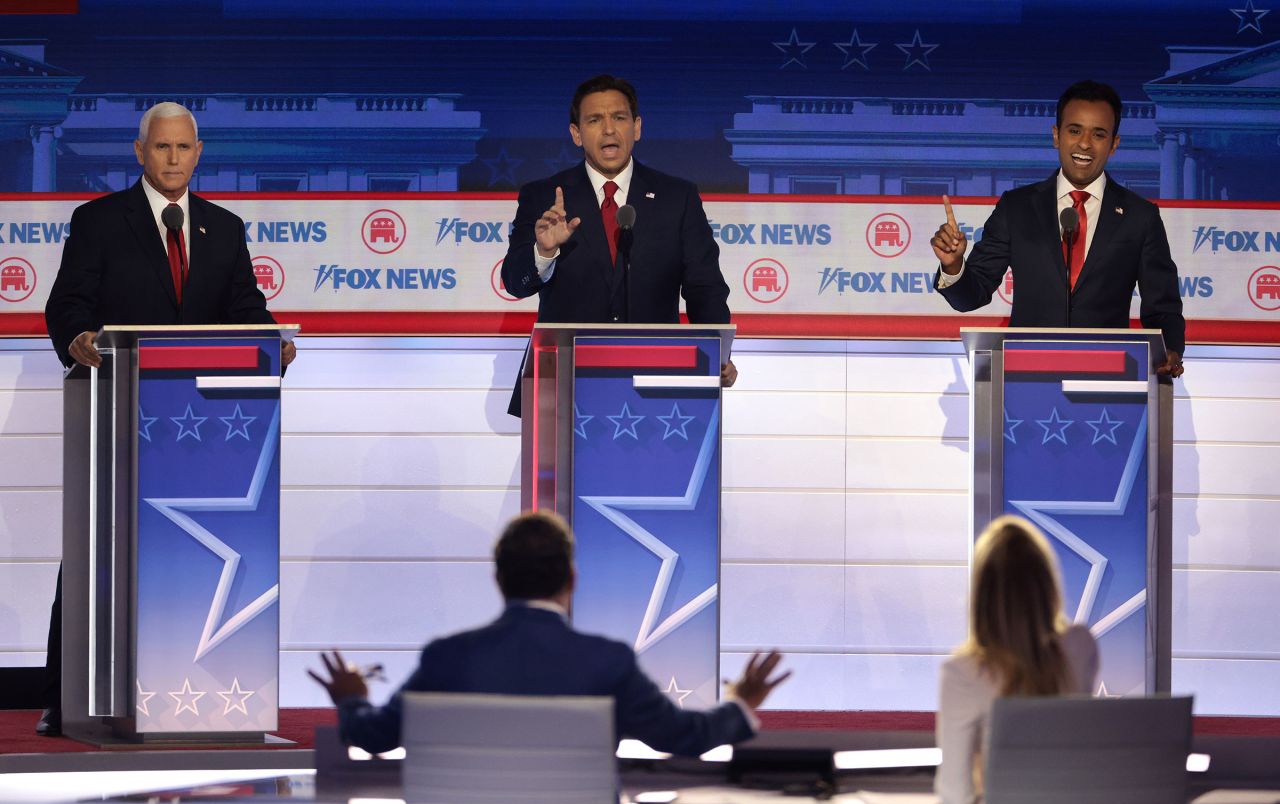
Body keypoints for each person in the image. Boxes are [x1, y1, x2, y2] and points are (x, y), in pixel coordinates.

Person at [37, 101, 296, 736]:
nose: (173, 159)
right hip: (121, 413)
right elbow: (65, 305)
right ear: (140, 152)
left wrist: (272, 345)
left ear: (198, 153)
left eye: (183, 149)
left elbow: (244, 307)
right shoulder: (99, 222)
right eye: (161, 148)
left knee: (190, 553)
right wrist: (75, 338)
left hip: (202, 422)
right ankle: (63, 697)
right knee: (95, 551)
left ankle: (195, 692)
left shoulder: (224, 227)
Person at [310, 511, 789, 757]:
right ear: (572, 579)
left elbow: (374, 737)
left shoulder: (447, 658)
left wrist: (351, 698)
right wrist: (742, 702)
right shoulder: (608, 662)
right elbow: (686, 737)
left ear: (498, 580)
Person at [500, 74, 736, 416]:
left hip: (658, 383)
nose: (609, 130)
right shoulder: (545, 196)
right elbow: (513, 282)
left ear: (637, 128)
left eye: (619, 118)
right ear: (576, 133)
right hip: (566, 383)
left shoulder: (677, 197)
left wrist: (717, 354)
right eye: (594, 120)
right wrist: (544, 252)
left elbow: (705, 288)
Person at [930, 79, 1185, 379]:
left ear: (1114, 145)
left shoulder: (1140, 216)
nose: (1085, 144)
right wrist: (954, 265)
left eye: (1098, 134)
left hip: (1110, 383)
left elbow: (1163, 306)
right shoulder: (1017, 207)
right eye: (1074, 131)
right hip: (1026, 378)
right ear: (1056, 135)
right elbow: (971, 296)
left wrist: (1171, 350)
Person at [934, 515, 1100, 804]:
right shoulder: (1080, 647)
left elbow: (955, 797)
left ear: (982, 596)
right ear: (1046, 586)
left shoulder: (962, 673)